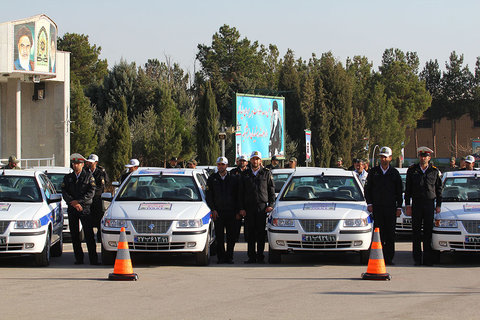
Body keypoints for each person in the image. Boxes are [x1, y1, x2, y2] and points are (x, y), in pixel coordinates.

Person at [364, 146, 403, 265]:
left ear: (390, 158)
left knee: (390, 234)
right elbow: (368, 189)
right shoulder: (373, 172)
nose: (383, 159)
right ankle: (378, 257)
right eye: (381, 157)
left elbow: (399, 191)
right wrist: (369, 203)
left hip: (390, 208)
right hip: (377, 207)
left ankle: (389, 258)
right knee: (379, 233)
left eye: (385, 157)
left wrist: (399, 207)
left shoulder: (394, 173)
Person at [405, 146, 442, 266]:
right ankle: (417, 258)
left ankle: (427, 258)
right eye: (421, 156)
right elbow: (408, 189)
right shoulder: (412, 170)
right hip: (416, 204)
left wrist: (439, 205)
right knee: (416, 232)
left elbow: (439, 189)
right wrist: (407, 205)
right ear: (419, 157)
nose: (423, 158)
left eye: (425, 156)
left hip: (429, 204)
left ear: (429, 157)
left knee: (428, 232)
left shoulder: (434, 171)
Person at [238, 151, 275, 264]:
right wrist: (241, 208)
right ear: (250, 160)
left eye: (257, 159)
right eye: (253, 159)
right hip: (249, 208)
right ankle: (251, 257)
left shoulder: (266, 173)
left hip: (261, 207)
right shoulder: (245, 174)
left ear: (260, 161)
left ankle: (260, 256)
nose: (255, 161)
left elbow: (271, 190)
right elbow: (240, 193)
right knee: (249, 233)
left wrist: (271, 205)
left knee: (260, 233)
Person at [61, 153, 98, 265]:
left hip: (84, 208)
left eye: (78, 163)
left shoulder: (88, 177)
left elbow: (91, 192)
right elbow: (64, 192)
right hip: (72, 208)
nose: (76, 166)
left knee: (89, 234)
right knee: (74, 235)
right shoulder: (68, 178)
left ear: (82, 164)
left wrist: (79, 202)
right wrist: (73, 202)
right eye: (74, 163)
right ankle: (79, 258)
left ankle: (93, 259)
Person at [206, 157, 240, 264]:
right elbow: (209, 196)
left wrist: (238, 211)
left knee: (231, 236)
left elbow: (238, 196)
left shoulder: (234, 178)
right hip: (218, 212)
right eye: (219, 164)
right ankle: (220, 257)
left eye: (222, 164)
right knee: (219, 236)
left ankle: (229, 257)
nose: (220, 166)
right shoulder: (212, 179)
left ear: (227, 165)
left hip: (231, 212)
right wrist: (213, 209)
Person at [85, 154, 109, 243]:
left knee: (99, 218)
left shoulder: (100, 172)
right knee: (88, 219)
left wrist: (91, 191)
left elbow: (101, 186)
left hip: (97, 199)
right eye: (89, 162)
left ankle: (99, 236)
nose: (89, 164)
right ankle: (89, 237)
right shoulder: (85, 171)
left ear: (96, 163)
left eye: (92, 162)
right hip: (87, 199)